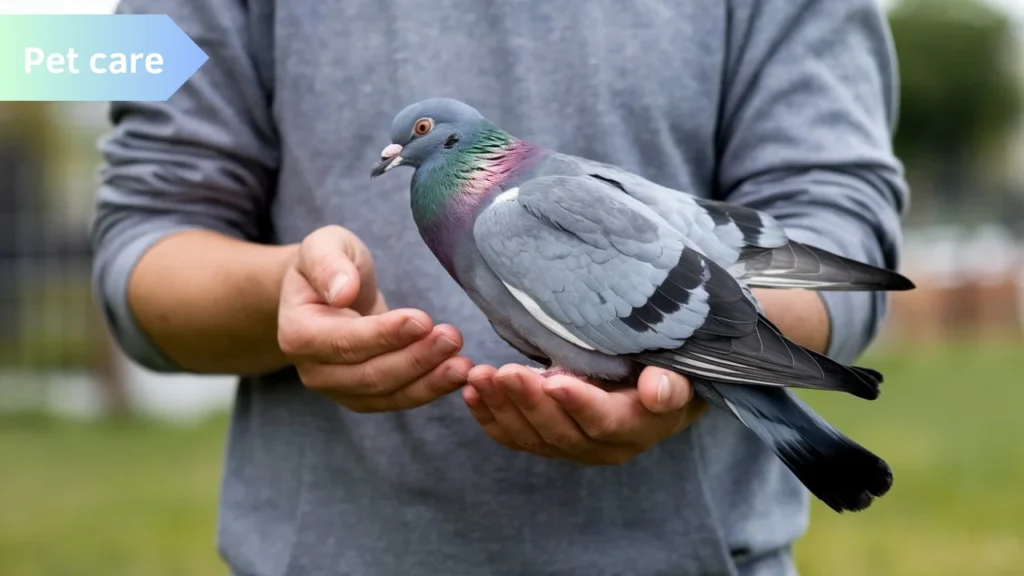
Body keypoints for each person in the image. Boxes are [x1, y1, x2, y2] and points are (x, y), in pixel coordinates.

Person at [91, 1, 908, 574]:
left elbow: (841, 210)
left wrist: (693, 367)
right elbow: (144, 230)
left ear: (445, 139)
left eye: (412, 139)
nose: (396, 153)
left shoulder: (514, 212)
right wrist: (287, 295)